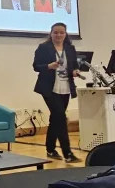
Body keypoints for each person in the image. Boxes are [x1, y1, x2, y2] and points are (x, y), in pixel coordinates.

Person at [32, 22, 82, 163]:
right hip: (49, 88)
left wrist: (75, 71)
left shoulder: (70, 48)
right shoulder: (43, 47)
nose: (58, 35)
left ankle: (50, 149)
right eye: (55, 32)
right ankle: (68, 153)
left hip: (65, 87)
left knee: (56, 118)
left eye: (61, 32)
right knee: (60, 117)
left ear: (65, 34)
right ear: (51, 33)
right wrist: (49, 66)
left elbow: (74, 65)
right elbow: (36, 66)